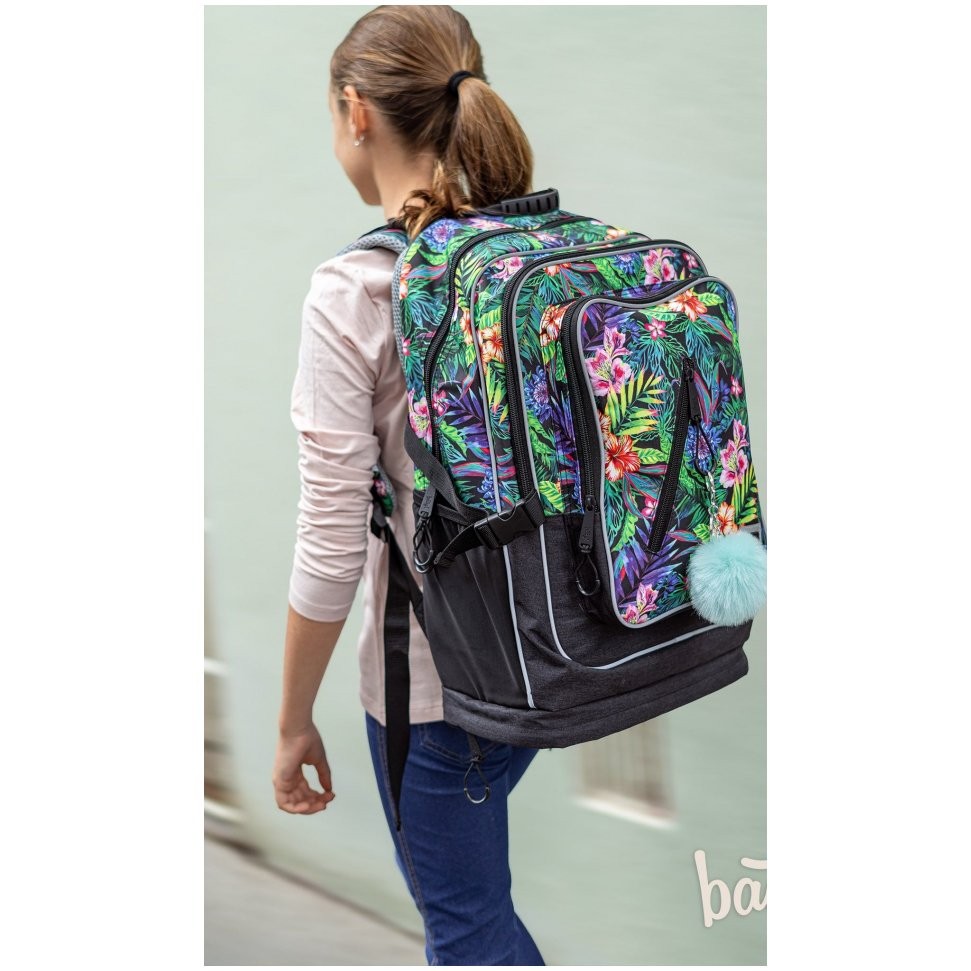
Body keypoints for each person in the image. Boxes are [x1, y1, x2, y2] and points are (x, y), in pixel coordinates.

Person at [270, 6, 546, 965]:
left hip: (435, 687)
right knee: (477, 920)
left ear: (356, 113)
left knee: (467, 935)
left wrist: (292, 721)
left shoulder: (355, 291)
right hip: (548, 652)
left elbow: (329, 543)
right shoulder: (523, 256)